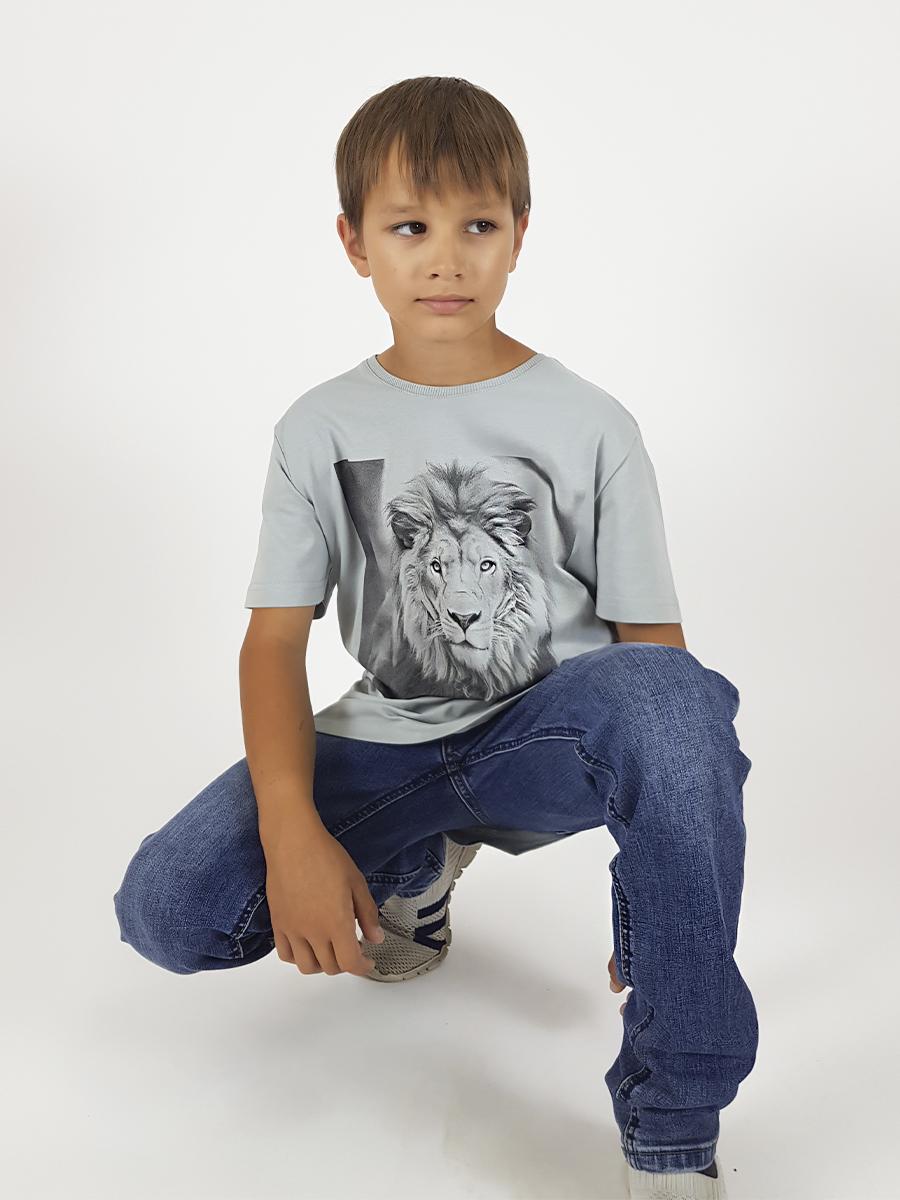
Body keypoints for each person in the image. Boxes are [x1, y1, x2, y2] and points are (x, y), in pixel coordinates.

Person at [113, 75, 756, 1200]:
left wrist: (658, 904)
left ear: (520, 235)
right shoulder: (318, 426)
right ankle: (412, 869)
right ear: (354, 242)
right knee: (166, 910)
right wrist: (294, 833)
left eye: (478, 226)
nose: (446, 259)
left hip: (552, 744)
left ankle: (673, 1137)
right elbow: (272, 644)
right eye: (411, 227)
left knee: (674, 693)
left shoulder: (593, 422)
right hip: (387, 744)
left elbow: (655, 656)